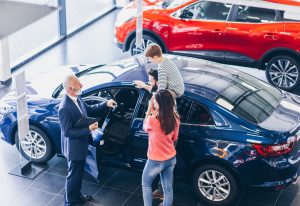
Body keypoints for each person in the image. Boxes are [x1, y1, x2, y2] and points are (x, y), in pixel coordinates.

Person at [58, 74, 116, 206]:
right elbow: (67, 132)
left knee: (78, 174)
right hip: (74, 148)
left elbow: (89, 109)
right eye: (79, 85)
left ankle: (77, 196)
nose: (82, 86)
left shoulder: (76, 98)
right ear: (70, 89)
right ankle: (70, 202)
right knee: (73, 175)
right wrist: (88, 129)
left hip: (82, 144)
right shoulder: (64, 108)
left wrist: (105, 104)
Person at [142, 90, 180, 206]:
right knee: (168, 189)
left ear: (160, 103)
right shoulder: (175, 118)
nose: (153, 102)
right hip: (171, 159)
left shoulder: (152, 120)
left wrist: (149, 110)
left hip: (155, 161)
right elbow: (174, 138)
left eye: (155, 100)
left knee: (146, 185)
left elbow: (144, 127)